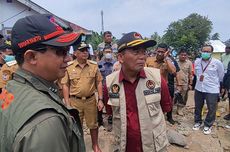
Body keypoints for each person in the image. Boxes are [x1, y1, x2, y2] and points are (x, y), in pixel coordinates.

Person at [0, 14, 85, 152]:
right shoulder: (46, 122)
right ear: (32, 57)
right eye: (61, 51)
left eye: (68, 51)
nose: (69, 58)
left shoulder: (13, 87)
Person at [104, 32, 171, 152]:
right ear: (120, 57)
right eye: (135, 52)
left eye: (144, 51)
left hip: (154, 147)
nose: (142, 57)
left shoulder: (157, 79)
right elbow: (111, 112)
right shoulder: (110, 83)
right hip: (125, 147)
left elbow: (165, 108)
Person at [61, 42, 104, 152]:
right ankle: (78, 147)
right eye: (82, 50)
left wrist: (100, 99)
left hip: (90, 100)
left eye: (86, 50)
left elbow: (99, 82)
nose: (85, 52)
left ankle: (95, 145)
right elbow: (65, 84)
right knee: (75, 125)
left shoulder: (93, 66)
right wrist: (67, 102)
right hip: (75, 101)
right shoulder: (69, 67)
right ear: (75, 53)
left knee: (93, 124)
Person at [193, 44, 224, 135]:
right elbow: (196, 73)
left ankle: (208, 125)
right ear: (201, 51)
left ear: (211, 53)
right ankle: (198, 122)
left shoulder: (217, 63)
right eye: (203, 51)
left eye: (207, 51)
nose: (205, 53)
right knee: (198, 106)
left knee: (211, 108)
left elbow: (221, 76)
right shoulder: (197, 61)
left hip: (212, 89)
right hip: (199, 88)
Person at [146, 43, 176, 124]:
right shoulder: (148, 59)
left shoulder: (168, 61)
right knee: (151, 105)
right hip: (150, 87)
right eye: (158, 51)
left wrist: (166, 58)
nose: (160, 53)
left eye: (162, 52)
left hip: (163, 88)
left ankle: (163, 120)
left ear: (166, 52)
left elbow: (173, 72)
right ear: (156, 50)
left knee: (163, 104)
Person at [98, 47, 116, 131]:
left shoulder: (116, 63)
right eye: (106, 52)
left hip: (113, 87)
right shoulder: (99, 63)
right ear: (103, 52)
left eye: (109, 51)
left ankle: (111, 120)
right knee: (100, 103)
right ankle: (100, 121)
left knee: (112, 104)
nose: (108, 53)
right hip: (101, 87)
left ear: (112, 52)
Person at [176, 48, 193, 115]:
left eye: (185, 55)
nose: (183, 56)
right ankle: (170, 109)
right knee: (174, 96)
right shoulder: (175, 62)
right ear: (179, 55)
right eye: (182, 55)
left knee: (182, 97)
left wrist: (190, 83)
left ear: (187, 56)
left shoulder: (189, 63)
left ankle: (179, 109)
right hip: (175, 83)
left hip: (184, 83)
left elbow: (191, 74)